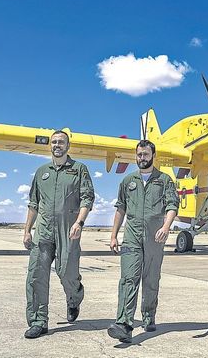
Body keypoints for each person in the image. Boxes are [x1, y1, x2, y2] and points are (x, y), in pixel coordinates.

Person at [22, 130, 95, 339]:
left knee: (66, 273)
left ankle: (74, 298)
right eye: (54, 142)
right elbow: (34, 203)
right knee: (36, 275)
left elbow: (87, 199)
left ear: (68, 146)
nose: (57, 145)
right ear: (50, 146)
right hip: (43, 230)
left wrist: (79, 223)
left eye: (61, 142)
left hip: (68, 230)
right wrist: (27, 230)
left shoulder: (79, 169)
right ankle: (38, 321)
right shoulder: (41, 171)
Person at [107, 140, 180, 343]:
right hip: (132, 237)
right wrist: (114, 235)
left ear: (152, 156)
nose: (142, 158)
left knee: (151, 280)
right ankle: (124, 324)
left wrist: (166, 227)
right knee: (128, 279)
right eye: (139, 154)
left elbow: (172, 205)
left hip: (155, 239)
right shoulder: (128, 181)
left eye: (145, 155)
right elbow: (120, 208)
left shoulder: (164, 180)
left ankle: (149, 316)